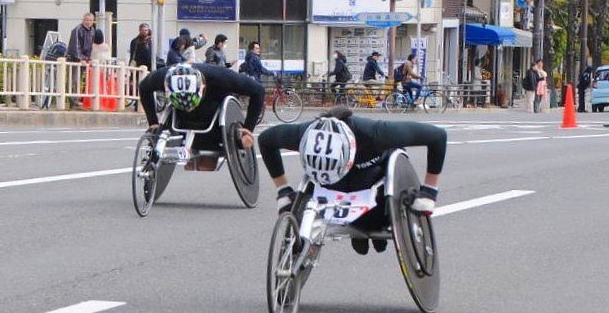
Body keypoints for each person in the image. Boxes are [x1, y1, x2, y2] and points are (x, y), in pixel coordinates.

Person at [258, 106, 447, 256]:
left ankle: (369, 224)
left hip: (377, 181)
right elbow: (266, 140)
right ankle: (359, 225)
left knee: (373, 218)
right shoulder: (303, 133)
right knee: (319, 195)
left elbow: (438, 136)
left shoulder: (376, 133)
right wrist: (283, 191)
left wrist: (429, 191)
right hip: (334, 189)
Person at [139, 63, 265, 171]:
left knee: (207, 165)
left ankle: (207, 147)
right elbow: (144, 87)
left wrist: (248, 130)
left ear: (202, 88)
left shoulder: (221, 77)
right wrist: (153, 123)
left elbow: (258, 91)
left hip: (213, 113)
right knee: (191, 164)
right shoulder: (164, 76)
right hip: (181, 119)